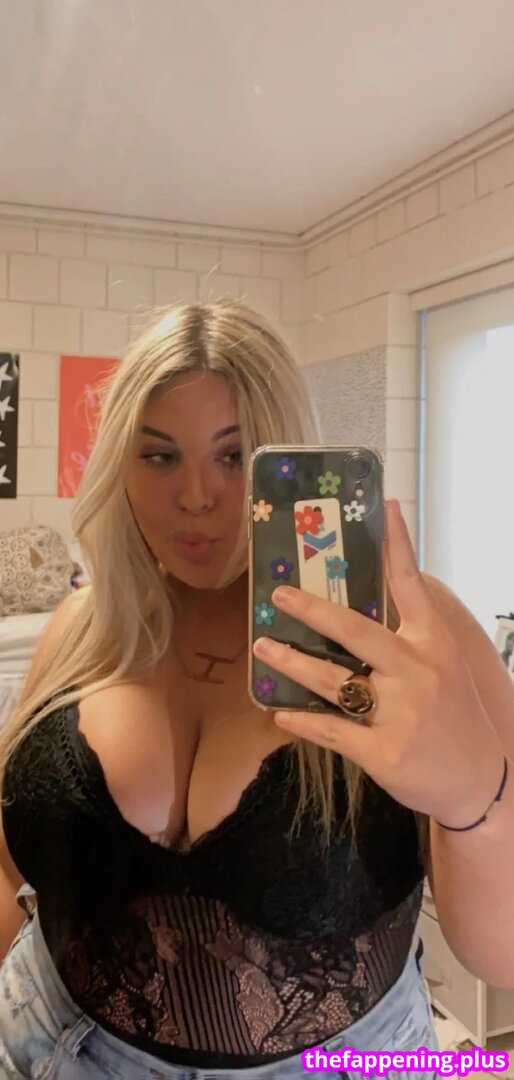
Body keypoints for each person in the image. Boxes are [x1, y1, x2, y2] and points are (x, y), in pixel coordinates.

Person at [0, 301, 513, 1080]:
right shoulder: (88, 625)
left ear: (286, 456)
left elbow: (502, 957)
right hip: (46, 1046)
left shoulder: (407, 634)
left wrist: (473, 800)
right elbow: (14, 863)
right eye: (160, 456)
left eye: (236, 456)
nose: (196, 496)